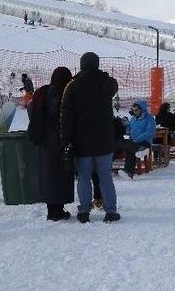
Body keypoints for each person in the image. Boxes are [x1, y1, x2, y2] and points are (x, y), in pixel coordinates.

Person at [61, 52, 121, 223]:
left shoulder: (73, 86)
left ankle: (84, 211)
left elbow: (66, 116)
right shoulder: (107, 83)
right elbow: (114, 85)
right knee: (105, 177)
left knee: (84, 176)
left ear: (81, 65)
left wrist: (66, 139)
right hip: (104, 140)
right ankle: (111, 211)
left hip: (82, 141)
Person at [27, 67, 75, 220]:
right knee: (61, 175)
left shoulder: (43, 92)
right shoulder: (67, 93)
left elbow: (31, 109)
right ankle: (57, 211)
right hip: (61, 139)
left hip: (44, 140)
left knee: (48, 175)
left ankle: (52, 210)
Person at [116, 101, 155, 180]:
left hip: (144, 142)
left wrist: (136, 139)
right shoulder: (133, 119)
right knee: (119, 143)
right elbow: (130, 129)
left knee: (130, 148)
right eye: (133, 110)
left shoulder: (149, 118)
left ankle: (129, 171)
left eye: (136, 110)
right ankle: (128, 171)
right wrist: (126, 127)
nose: (134, 112)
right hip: (134, 143)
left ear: (142, 110)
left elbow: (150, 132)